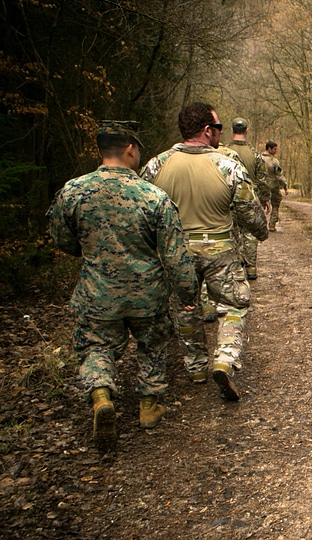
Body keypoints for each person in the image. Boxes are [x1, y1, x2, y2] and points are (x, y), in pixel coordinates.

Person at [47, 120, 198, 448]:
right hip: (148, 295)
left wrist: (89, 251)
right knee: (153, 343)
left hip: (98, 293)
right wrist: (188, 292)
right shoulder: (154, 197)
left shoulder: (73, 191)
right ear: (130, 148)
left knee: (95, 345)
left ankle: (102, 397)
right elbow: (175, 255)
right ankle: (149, 406)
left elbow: (61, 238)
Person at [141, 102, 268, 401]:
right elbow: (250, 214)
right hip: (220, 248)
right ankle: (224, 358)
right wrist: (261, 231)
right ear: (207, 130)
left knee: (185, 307)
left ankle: (195, 366)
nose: (220, 133)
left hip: (176, 250)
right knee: (233, 305)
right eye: (219, 127)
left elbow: (143, 212)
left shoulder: (156, 166)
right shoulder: (227, 165)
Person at [227, 117, 269, 279]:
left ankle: (235, 270)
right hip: (250, 198)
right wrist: (265, 198)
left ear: (232, 131)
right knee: (250, 235)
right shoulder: (255, 154)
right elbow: (262, 179)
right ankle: (251, 269)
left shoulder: (224, 152)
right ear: (246, 131)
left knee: (232, 234)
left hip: (228, 199)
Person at [262, 140, 288, 231]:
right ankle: (272, 224)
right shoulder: (274, 161)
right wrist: (285, 185)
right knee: (275, 204)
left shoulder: (258, 158)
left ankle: (261, 224)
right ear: (269, 149)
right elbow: (279, 175)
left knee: (260, 205)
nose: (276, 151)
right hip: (273, 186)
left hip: (260, 186)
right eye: (274, 149)